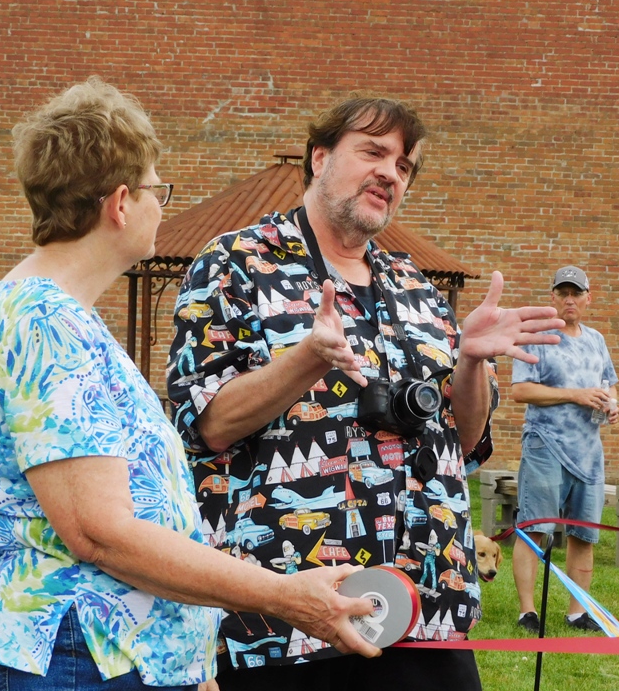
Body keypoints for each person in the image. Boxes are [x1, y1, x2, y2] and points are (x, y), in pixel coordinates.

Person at [0, 77, 379, 691]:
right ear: (120, 204)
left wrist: (189, 654)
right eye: (158, 189)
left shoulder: (61, 317)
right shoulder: (44, 323)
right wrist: (285, 596)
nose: (161, 205)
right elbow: (100, 533)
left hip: (124, 657)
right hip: (82, 656)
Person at [167, 96, 565, 691]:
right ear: (320, 158)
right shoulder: (236, 263)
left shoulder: (416, 286)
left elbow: (464, 441)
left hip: (428, 605)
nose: (390, 173)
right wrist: (306, 361)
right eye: (373, 152)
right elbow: (207, 424)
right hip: (288, 617)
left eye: (403, 166)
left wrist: (470, 363)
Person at [510, 265, 619, 634]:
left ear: (588, 298)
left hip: (588, 452)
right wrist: (575, 395)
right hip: (546, 445)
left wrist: (612, 404)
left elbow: (609, 384)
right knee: (535, 528)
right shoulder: (536, 337)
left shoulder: (596, 340)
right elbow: (521, 391)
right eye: (563, 293)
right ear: (553, 297)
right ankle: (527, 611)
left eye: (577, 293)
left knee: (583, 534)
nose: (570, 299)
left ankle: (577, 612)